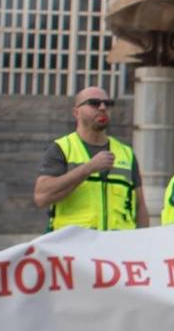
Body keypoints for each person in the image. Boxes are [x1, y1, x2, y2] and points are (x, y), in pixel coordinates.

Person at [34, 86, 148, 231]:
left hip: (118, 242)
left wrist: (143, 240)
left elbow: (140, 207)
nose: (102, 108)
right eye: (94, 103)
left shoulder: (126, 154)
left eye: (108, 104)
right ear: (76, 112)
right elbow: (42, 197)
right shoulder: (62, 148)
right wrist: (89, 168)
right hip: (75, 242)